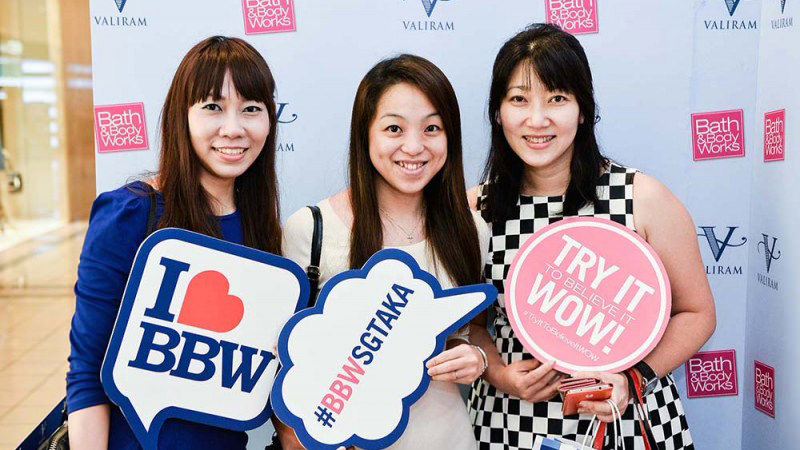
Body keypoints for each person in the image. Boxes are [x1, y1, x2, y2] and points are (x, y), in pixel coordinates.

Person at [467, 24, 716, 449]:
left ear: (583, 110)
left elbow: (697, 313)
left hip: (627, 422)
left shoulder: (640, 198)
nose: (537, 119)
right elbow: (468, 323)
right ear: (497, 112)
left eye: (557, 98)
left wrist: (632, 379)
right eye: (519, 99)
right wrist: (500, 375)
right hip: (510, 422)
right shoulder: (477, 209)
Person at [66, 36, 282, 449]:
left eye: (251, 109)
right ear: (182, 116)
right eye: (213, 107)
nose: (233, 128)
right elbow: (86, 375)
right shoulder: (130, 214)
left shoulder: (263, 229)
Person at [280, 54, 488, 449]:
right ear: (366, 134)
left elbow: (465, 333)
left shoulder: (470, 230)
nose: (414, 146)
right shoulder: (311, 230)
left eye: (432, 128)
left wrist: (474, 356)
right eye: (394, 128)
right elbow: (284, 366)